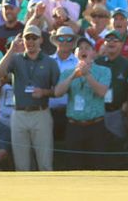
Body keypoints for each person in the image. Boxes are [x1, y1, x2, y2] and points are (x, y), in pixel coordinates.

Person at [0, 25, 60, 171]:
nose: (30, 41)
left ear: (41, 40)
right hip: (19, 113)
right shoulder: (16, 59)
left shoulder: (49, 62)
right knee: (21, 165)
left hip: (41, 113)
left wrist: (44, 92)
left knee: (44, 163)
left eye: (34, 38)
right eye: (27, 38)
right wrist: (11, 50)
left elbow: (58, 91)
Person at [54, 36, 111, 170]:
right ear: (75, 53)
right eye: (80, 48)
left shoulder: (103, 71)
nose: (83, 50)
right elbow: (58, 93)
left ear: (94, 53)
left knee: (97, 166)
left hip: (95, 126)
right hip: (74, 127)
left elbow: (102, 92)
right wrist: (74, 75)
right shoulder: (68, 73)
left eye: (87, 48)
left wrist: (87, 75)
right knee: (74, 167)